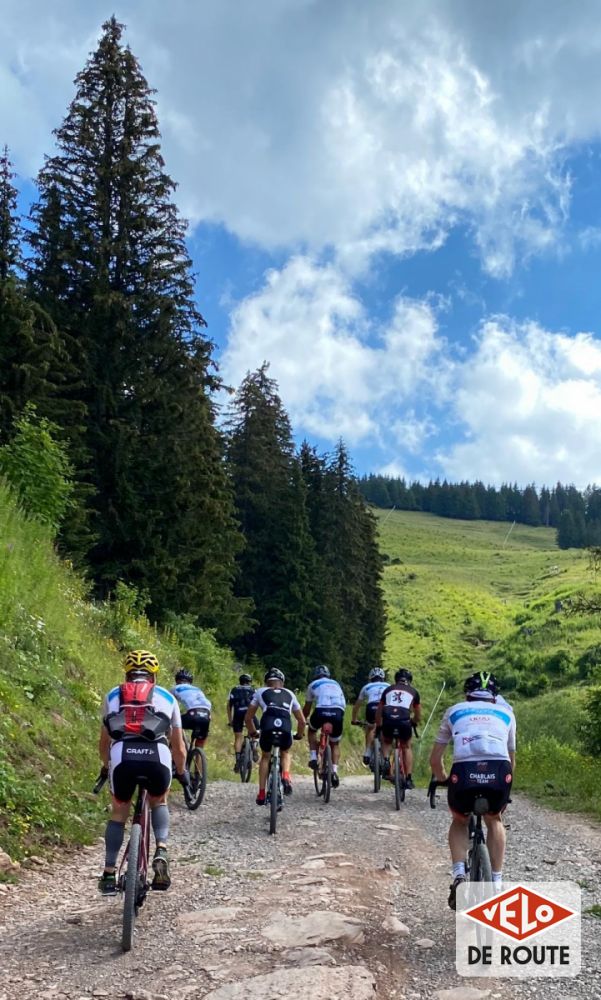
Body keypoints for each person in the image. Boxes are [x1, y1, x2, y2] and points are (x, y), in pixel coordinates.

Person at [98, 650, 188, 894]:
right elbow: (179, 746)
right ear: (154, 677)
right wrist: (182, 772)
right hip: (156, 756)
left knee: (119, 811)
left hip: (122, 756)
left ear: (127, 675)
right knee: (159, 800)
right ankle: (161, 849)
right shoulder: (168, 697)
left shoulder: (113, 695)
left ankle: (108, 873)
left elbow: (104, 742)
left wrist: (106, 767)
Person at [429, 671, 516, 910]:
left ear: (467, 694)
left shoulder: (454, 711)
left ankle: (459, 876)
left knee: (459, 820)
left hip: (464, 773)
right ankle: (496, 883)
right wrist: (506, 788)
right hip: (499, 770)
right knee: (495, 819)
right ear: (494, 696)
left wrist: (443, 779)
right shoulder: (507, 712)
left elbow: (435, 759)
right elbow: (511, 759)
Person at [245, 667, 305, 804]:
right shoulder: (290, 694)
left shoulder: (260, 692)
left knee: (265, 757)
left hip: (267, 725)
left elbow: (248, 718)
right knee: (285, 752)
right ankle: (285, 775)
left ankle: (261, 794)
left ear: (267, 682)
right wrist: (300, 735)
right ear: (282, 683)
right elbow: (301, 720)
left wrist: (253, 732)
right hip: (285, 725)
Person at [375, 668, 421, 789]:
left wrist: (379, 726)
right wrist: (414, 722)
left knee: (386, 741)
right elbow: (418, 715)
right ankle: (409, 778)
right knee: (406, 746)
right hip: (404, 721)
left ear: (396, 680)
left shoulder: (388, 690)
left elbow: (379, 711)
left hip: (389, 720)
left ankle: (385, 760)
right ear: (409, 681)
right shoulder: (413, 692)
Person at [303, 665, 346, 787]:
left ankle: (312, 757)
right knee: (335, 743)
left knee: (312, 730)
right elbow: (343, 704)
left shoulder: (313, 684)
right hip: (338, 712)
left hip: (321, 711)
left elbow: (307, 708)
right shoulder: (336, 684)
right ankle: (335, 771)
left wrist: (303, 719)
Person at [351, 667, 388, 765]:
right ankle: (386, 757)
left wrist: (354, 719)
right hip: (385, 707)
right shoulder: (388, 686)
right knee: (386, 730)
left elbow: (357, 706)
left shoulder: (366, 687)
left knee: (370, 727)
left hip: (371, 707)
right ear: (383, 677)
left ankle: (367, 752)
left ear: (370, 678)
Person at [171, 669, 212, 747]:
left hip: (192, 714)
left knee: (172, 726)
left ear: (177, 680)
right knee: (200, 742)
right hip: (206, 715)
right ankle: (199, 754)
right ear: (190, 682)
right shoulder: (198, 689)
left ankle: (175, 748)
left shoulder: (175, 688)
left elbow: (169, 703)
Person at [227, 671, 257, 772]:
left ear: (240, 681)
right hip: (250, 714)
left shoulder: (234, 689)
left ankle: (238, 759)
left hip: (238, 714)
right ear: (250, 682)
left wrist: (230, 720)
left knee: (238, 737)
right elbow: (257, 704)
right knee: (255, 730)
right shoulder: (253, 690)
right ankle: (254, 746)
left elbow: (229, 705)